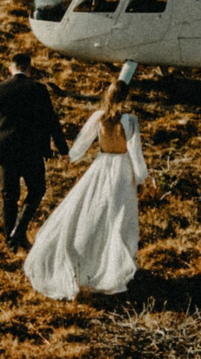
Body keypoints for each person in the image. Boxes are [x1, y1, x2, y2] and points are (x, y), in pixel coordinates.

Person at [24, 79, 148, 301]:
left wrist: (70, 157)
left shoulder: (98, 118)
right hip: (121, 171)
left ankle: (90, 261)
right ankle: (113, 266)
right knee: (118, 219)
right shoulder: (130, 121)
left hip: (101, 167)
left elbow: (82, 143)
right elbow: (135, 153)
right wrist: (140, 178)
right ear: (126, 97)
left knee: (92, 213)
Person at [0, 53, 67, 255]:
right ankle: (19, 231)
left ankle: (12, 241)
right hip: (31, 150)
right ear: (29, 69)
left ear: (11, 69)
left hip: (6, 150)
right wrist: (63, 149)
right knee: (37, 190)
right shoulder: (38, 90)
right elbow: (52, 122)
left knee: (9, 196)